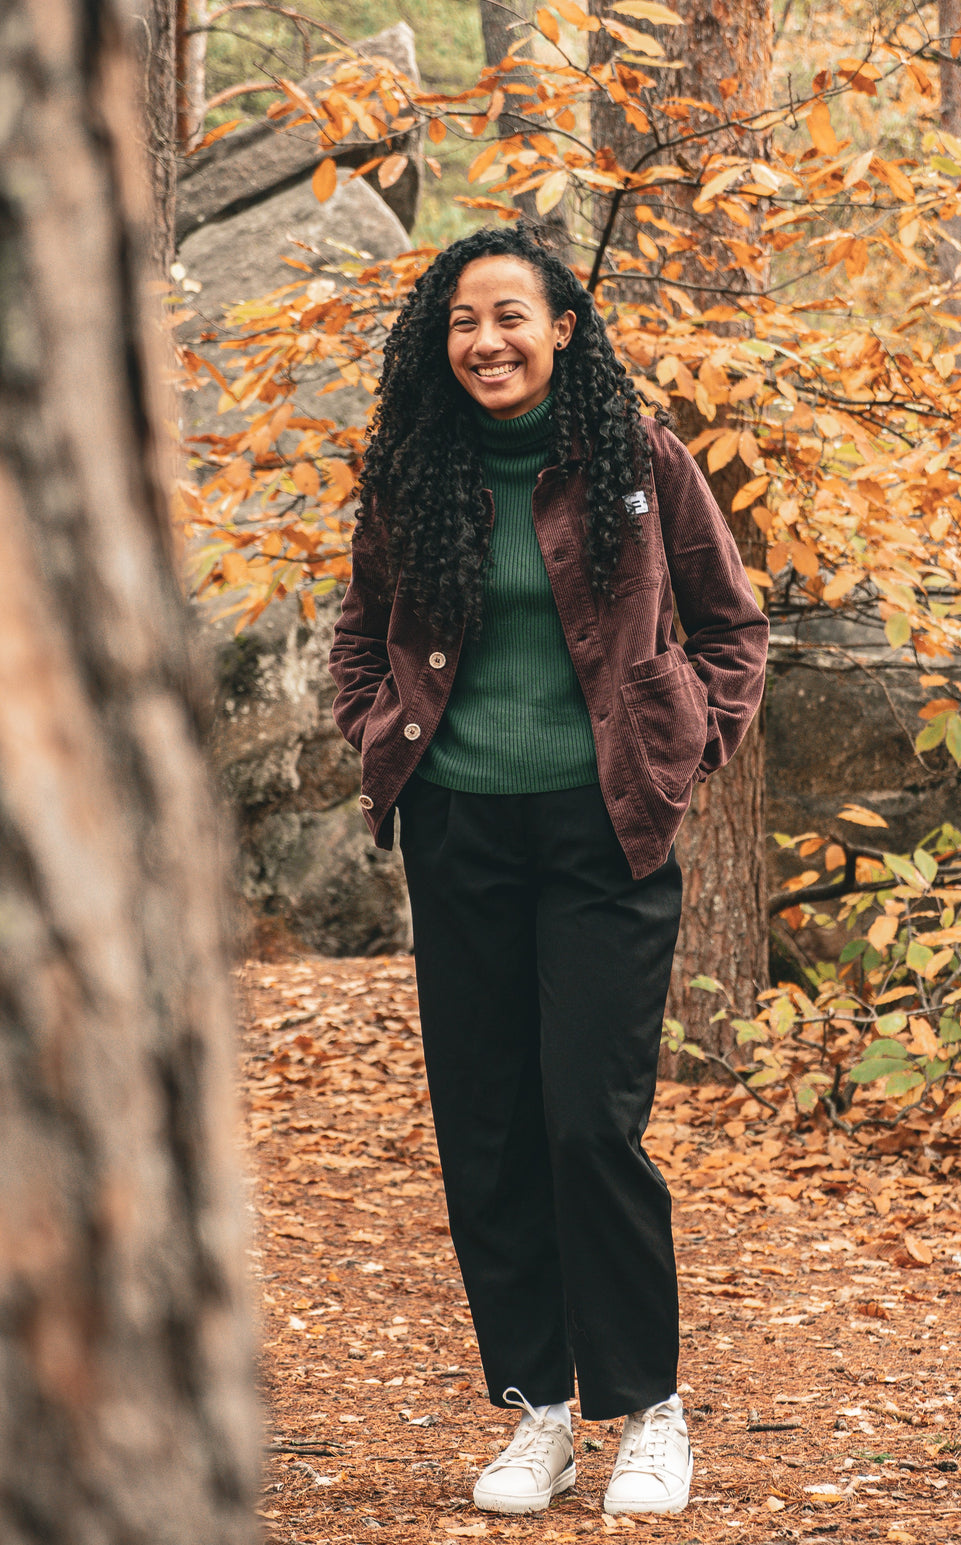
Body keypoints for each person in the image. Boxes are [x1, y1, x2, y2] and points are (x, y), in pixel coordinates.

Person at [328, 223, 767, 1517]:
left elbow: (733, 625)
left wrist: (687, 748)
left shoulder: (635, 458)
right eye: (465, 321)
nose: (488, 341)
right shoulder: (410, 470)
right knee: (490, 1127)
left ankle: (650, 1409)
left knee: (589, 1120)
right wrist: (375, 731)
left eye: (511, 316)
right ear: (440, 339)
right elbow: (361, 636)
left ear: (561, 325)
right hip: (459, 833)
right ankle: (540, 1409)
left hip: (608, 836)